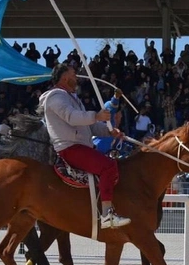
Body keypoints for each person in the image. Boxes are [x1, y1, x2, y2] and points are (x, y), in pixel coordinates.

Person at [39, 63, 130, 229]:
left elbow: (89, 126)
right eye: (74, 74)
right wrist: (96, 115)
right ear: (65, 78)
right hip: (70, 147)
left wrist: (110, 132)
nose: (77, 77)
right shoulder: (55, 97)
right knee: (108, 167)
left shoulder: (72, 98)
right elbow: (72, 118)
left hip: (82, 146)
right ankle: (107, 214)